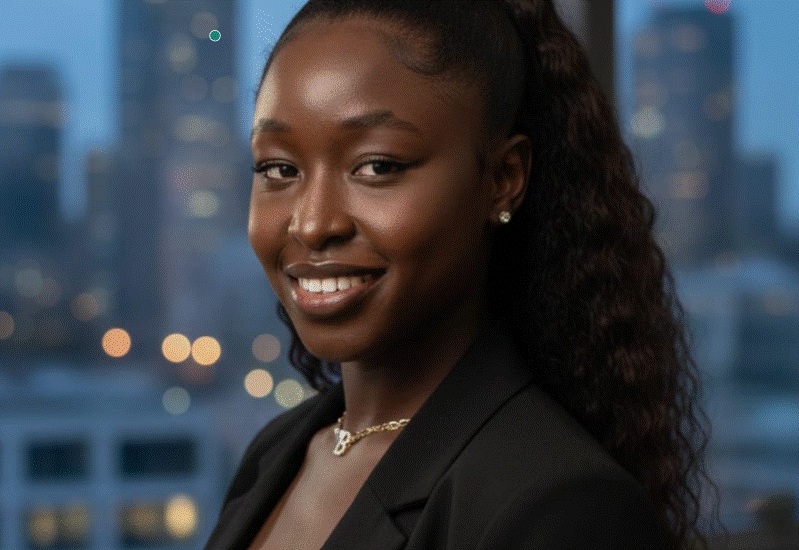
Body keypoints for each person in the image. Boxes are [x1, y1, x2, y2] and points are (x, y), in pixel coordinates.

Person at [205, 1, 726, 549]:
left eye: (377, 166)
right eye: (278, 169)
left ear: (502, 178)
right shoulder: (278, 451)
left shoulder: (556, 504)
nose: (312, 224)